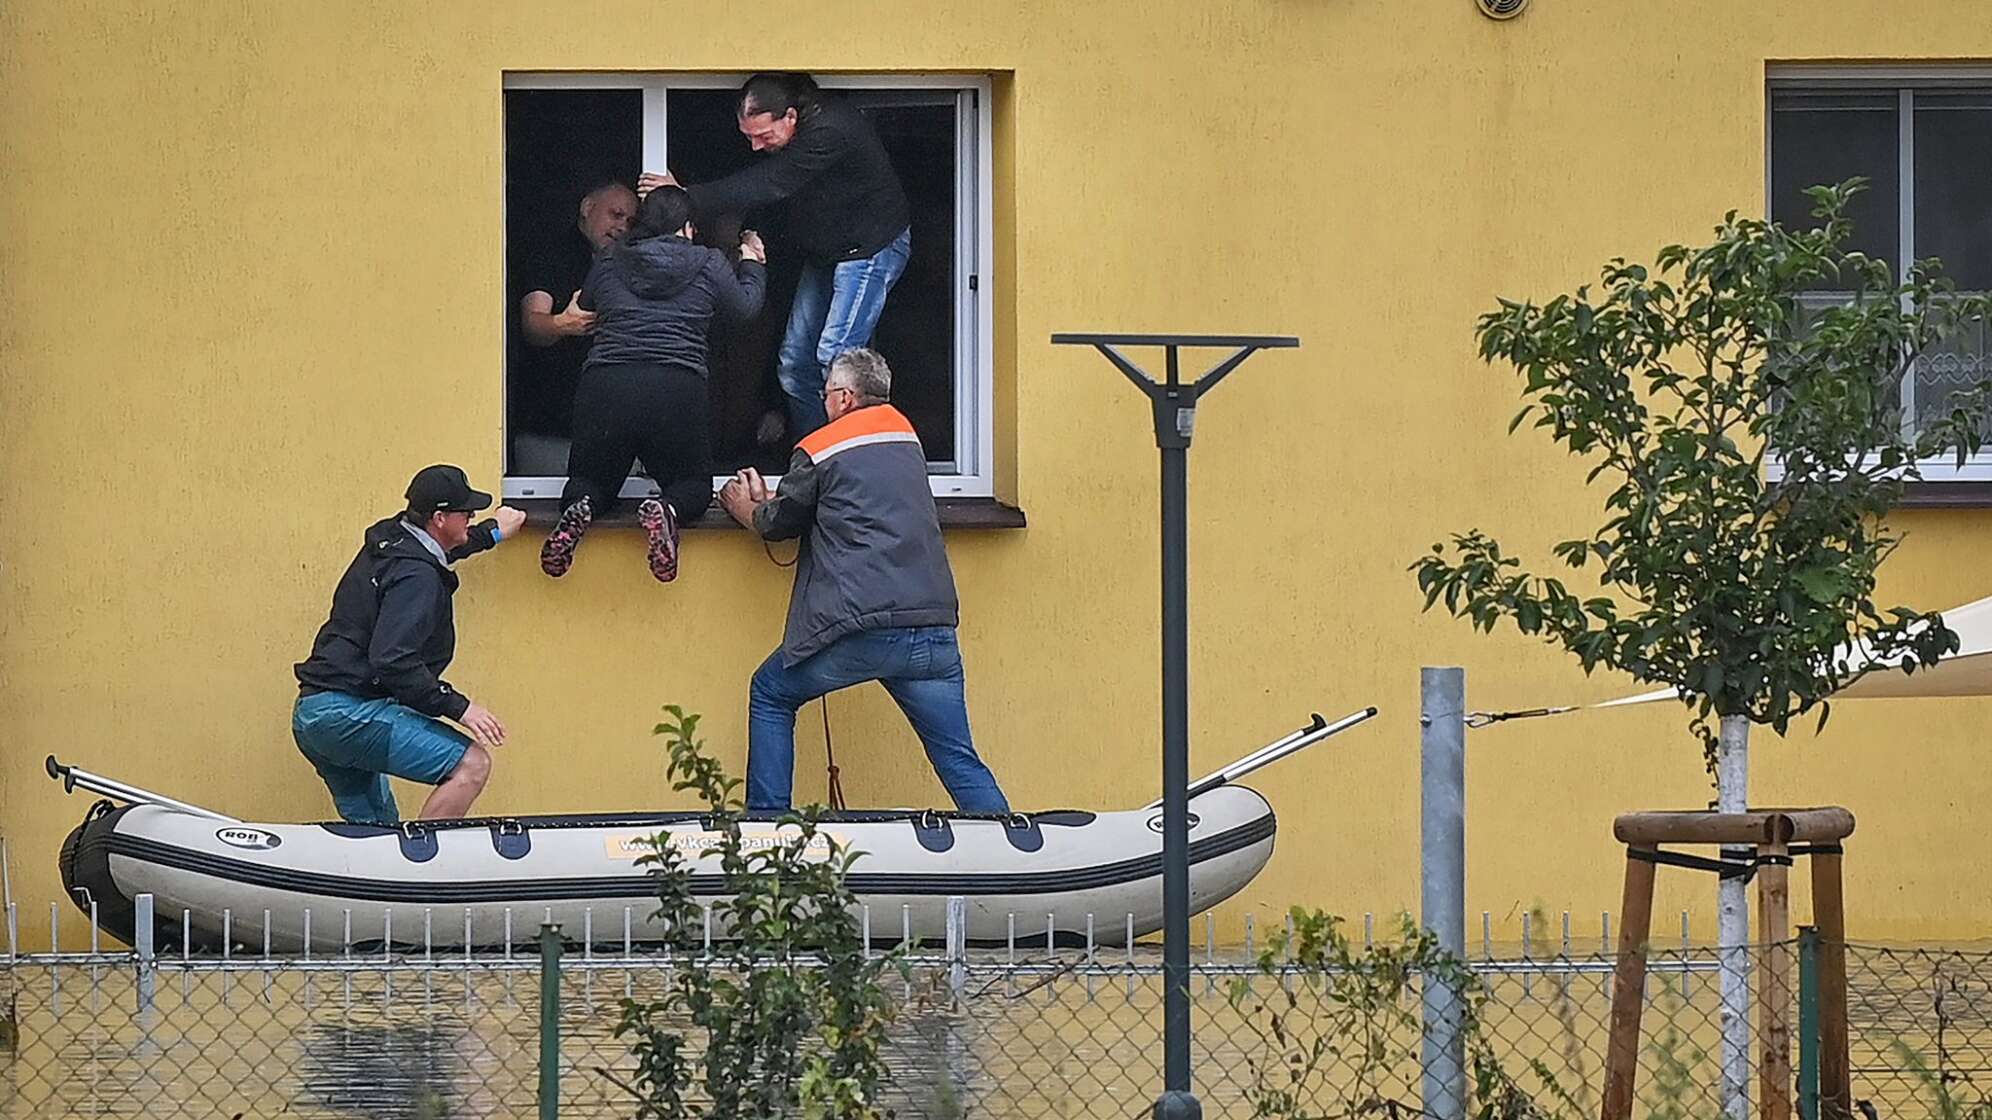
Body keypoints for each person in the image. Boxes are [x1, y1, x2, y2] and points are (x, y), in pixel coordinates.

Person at [717, 349, 1008, 813]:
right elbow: (860, 497)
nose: (824, 401)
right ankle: (1008, 850)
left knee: (770, 693)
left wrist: (745, 508)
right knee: (958, 757)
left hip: (864, 626)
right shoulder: (907, 437)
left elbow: (778, 523)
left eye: (827, 393)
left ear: (846, 398)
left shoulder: (820, 446)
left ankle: (766, 833)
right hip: (932, 626)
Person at [642, 73, 911, 439]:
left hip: (870, 247)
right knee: (794, 364)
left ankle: (847, 463)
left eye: (764, 136)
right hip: (827, 251)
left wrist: (686, 196)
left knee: (837, 359)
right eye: (748, 136)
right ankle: (813, 456)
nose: (755, 146)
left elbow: (771, 182)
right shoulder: (793, 133)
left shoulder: (831, 128)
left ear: (790, 117)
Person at [538, 186, 769, 582]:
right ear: (687, 228)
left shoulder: (611, 259)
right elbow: (745, 310)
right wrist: (752, 264)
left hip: (607, 384)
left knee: (591, 480)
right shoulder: (709, 263)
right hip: (676, 387)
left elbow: (587, 310)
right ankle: (668, 510)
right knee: (692, 485)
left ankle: (581, 508)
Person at [292, 466, 526, 824]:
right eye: (466, 513)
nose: (472, 517)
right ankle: (425, 869)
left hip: (315, 714)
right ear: (439, 517)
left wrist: (491, 533)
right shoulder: (417, 577)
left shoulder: (393, 539)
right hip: (350, 715)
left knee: (378, 832)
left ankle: (384, 876)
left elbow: (436, 550)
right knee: (472, 765)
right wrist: (461, 708)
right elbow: (392, 659)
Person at [512, 182, 639, 447]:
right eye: (616, 215)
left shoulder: (629, 264)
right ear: (587, 208)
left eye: (631, 222)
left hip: (615, 424)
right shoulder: (551, 255)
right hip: (549, 423)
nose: (622, 228)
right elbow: (532, 325)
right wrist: (562, 324)